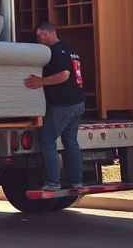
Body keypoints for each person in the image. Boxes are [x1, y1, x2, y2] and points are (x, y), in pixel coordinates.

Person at [24, 22, 86, 191]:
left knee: (47, 140)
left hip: (64, 104)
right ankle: (76, 181)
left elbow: (64, 75)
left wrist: (40, 82)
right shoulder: (70, 49)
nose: (39, 40)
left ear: (48, 33)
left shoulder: (57, 51)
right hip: (77, 102)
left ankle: (53, 182)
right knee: (70, 141)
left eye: (40, 36)